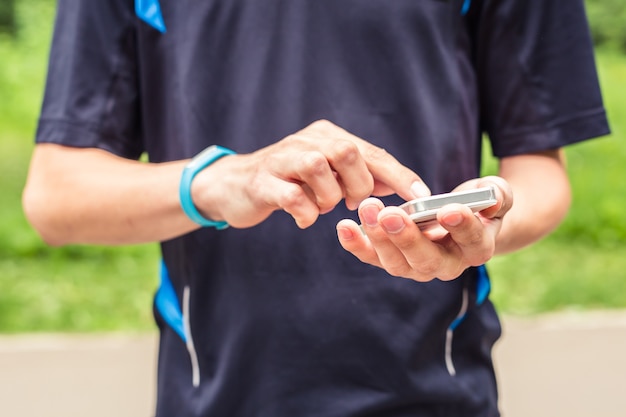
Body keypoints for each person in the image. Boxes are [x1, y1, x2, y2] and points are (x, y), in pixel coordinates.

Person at [22, 0, 609, 416]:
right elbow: (57, 195)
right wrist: (222, 182)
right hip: (215, 397)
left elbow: (538, 174)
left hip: (437, 392)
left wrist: (485, 227)